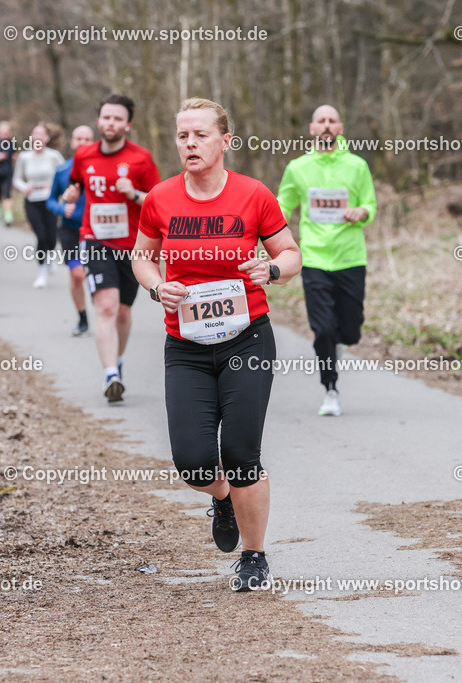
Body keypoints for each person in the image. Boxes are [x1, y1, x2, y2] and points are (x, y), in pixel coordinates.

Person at [133, 98, 302, 592]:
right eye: (183, 135)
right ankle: (222, 498)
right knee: (193, 461)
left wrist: (271, 269)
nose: (190, 143)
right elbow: (142, 257)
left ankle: (254, 557)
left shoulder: (253, 194)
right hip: (186, 345)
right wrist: (156, 286)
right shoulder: (160, 198)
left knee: (243, 452)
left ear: (225, 141)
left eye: (200, 135)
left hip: (247, 340)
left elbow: (291, 254)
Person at [276, 104, 376, 417]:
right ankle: (330, 388)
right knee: (323, 329)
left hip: (350, 257)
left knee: (350, 331)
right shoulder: (298, 168)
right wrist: (266, 229)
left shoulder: (357, 166)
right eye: (321, 120)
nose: (327, 125)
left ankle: (339, 342)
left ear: (341, 128)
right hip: (315, 258)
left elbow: (370, 204)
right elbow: (283, 205)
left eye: (332, 120)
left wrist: (361, 212)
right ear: (312, 129)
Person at [62, 94, 161, 403]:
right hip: (95, 240)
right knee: (106, 306)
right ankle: (110, 375)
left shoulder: (141, 158)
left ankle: (117, 361)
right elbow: (75, 184)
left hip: (132, 246)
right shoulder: (84, 155)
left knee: (123, 311)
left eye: (118, 118)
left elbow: (157, 202)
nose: (111, 123)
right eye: (106, 117)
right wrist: (69, 195)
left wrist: (133, 194)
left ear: (127, 125)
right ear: (98, 121)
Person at [47, 124, 94, 336]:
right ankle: (82, 318)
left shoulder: (101, 169)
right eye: (78, 139)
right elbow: (50, 200)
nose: (82, 143)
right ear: (72, 142)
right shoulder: (62, 170)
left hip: (96, 232)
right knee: (77, 275)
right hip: (70, 230)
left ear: (93, 142)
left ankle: (105, 310)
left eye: (87, 139)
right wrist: (61, 208)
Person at [13, 123, 65, 288]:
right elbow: (16, 179)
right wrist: (24, 187)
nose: (38, 137)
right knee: (41, 236)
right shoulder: (24, 157)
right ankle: (41, 273)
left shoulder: (54, 156)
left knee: (51, 237)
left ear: (47, 138)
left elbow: (65, 174)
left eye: (41, 134)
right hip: (32, 201)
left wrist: (57, 188)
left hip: (50, 201)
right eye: (35, 134)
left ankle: (49, 256)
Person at [0, 121, 15, 225]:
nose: (5, 134)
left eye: (7, 132)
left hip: (8, 172)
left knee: (8, 193)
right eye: (3, 131)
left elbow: (12, 154)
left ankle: (8, 215)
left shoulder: (12, 142)